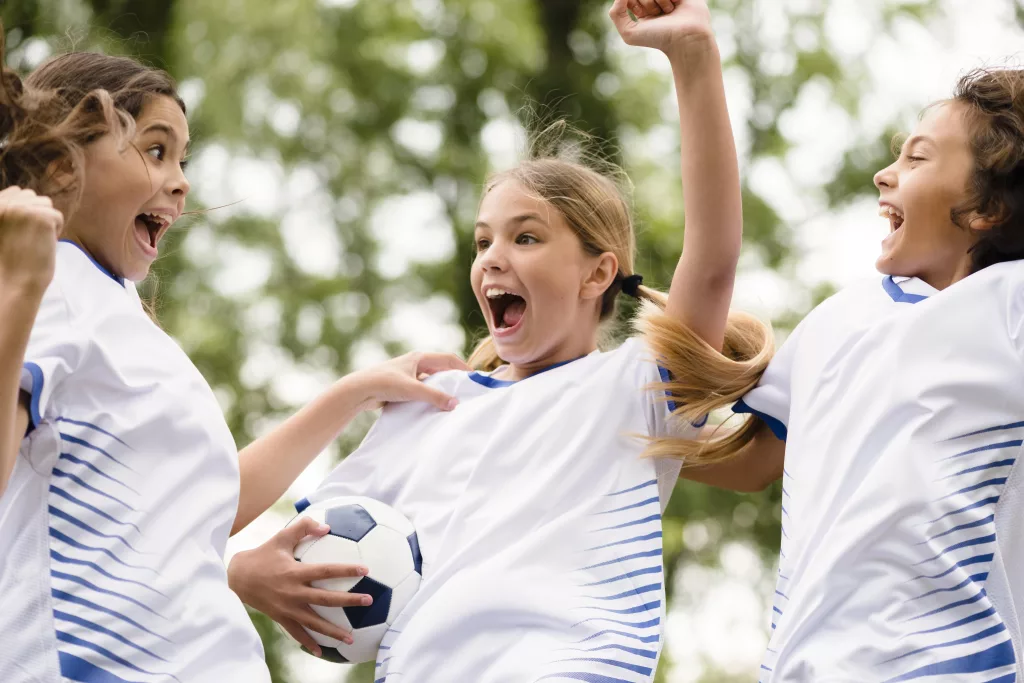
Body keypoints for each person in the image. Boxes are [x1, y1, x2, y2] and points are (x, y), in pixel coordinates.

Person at [227, 0, 773, 679]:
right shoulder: (430, 405)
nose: (490, 256)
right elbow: (279, 538)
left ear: (598, 272)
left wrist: (694, 56)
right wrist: (245, 572)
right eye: (483, 239)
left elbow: (713, 259)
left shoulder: (633, 387)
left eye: (526, 236)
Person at [0, 39, 469, 683]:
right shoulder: (46, 286)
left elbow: (208, 502)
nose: (182, 179)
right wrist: (19, 291)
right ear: (60, 164)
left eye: (183, 158)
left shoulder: (121, 317)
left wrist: (354, 394)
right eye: (156, 148)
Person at [682, 62, 1024, 681]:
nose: (885, 173)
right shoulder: (841, 318)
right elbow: (751, 461)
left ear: (987, 207)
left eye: (918, 159)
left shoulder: (1011, 303)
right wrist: (605, 419)